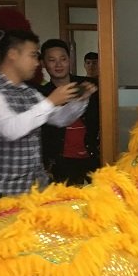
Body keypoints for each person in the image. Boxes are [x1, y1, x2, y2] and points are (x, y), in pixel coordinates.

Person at [0, 30, 96, 212]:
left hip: (35, 189)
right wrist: (51, 101)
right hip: (0, 192)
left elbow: (60, 119)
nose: (37, 63)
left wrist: (80, 100)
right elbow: (10, 129)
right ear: (13, 55)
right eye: (32, 55)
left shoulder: (28, 92)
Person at [38, 39, 100, 185]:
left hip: (93, 157)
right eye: (52, 60)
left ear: (70, 60)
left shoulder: (89, 85)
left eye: (63, 59)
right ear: (43, 63)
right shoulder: (41, 94)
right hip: (60, 163)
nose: (58, 64)